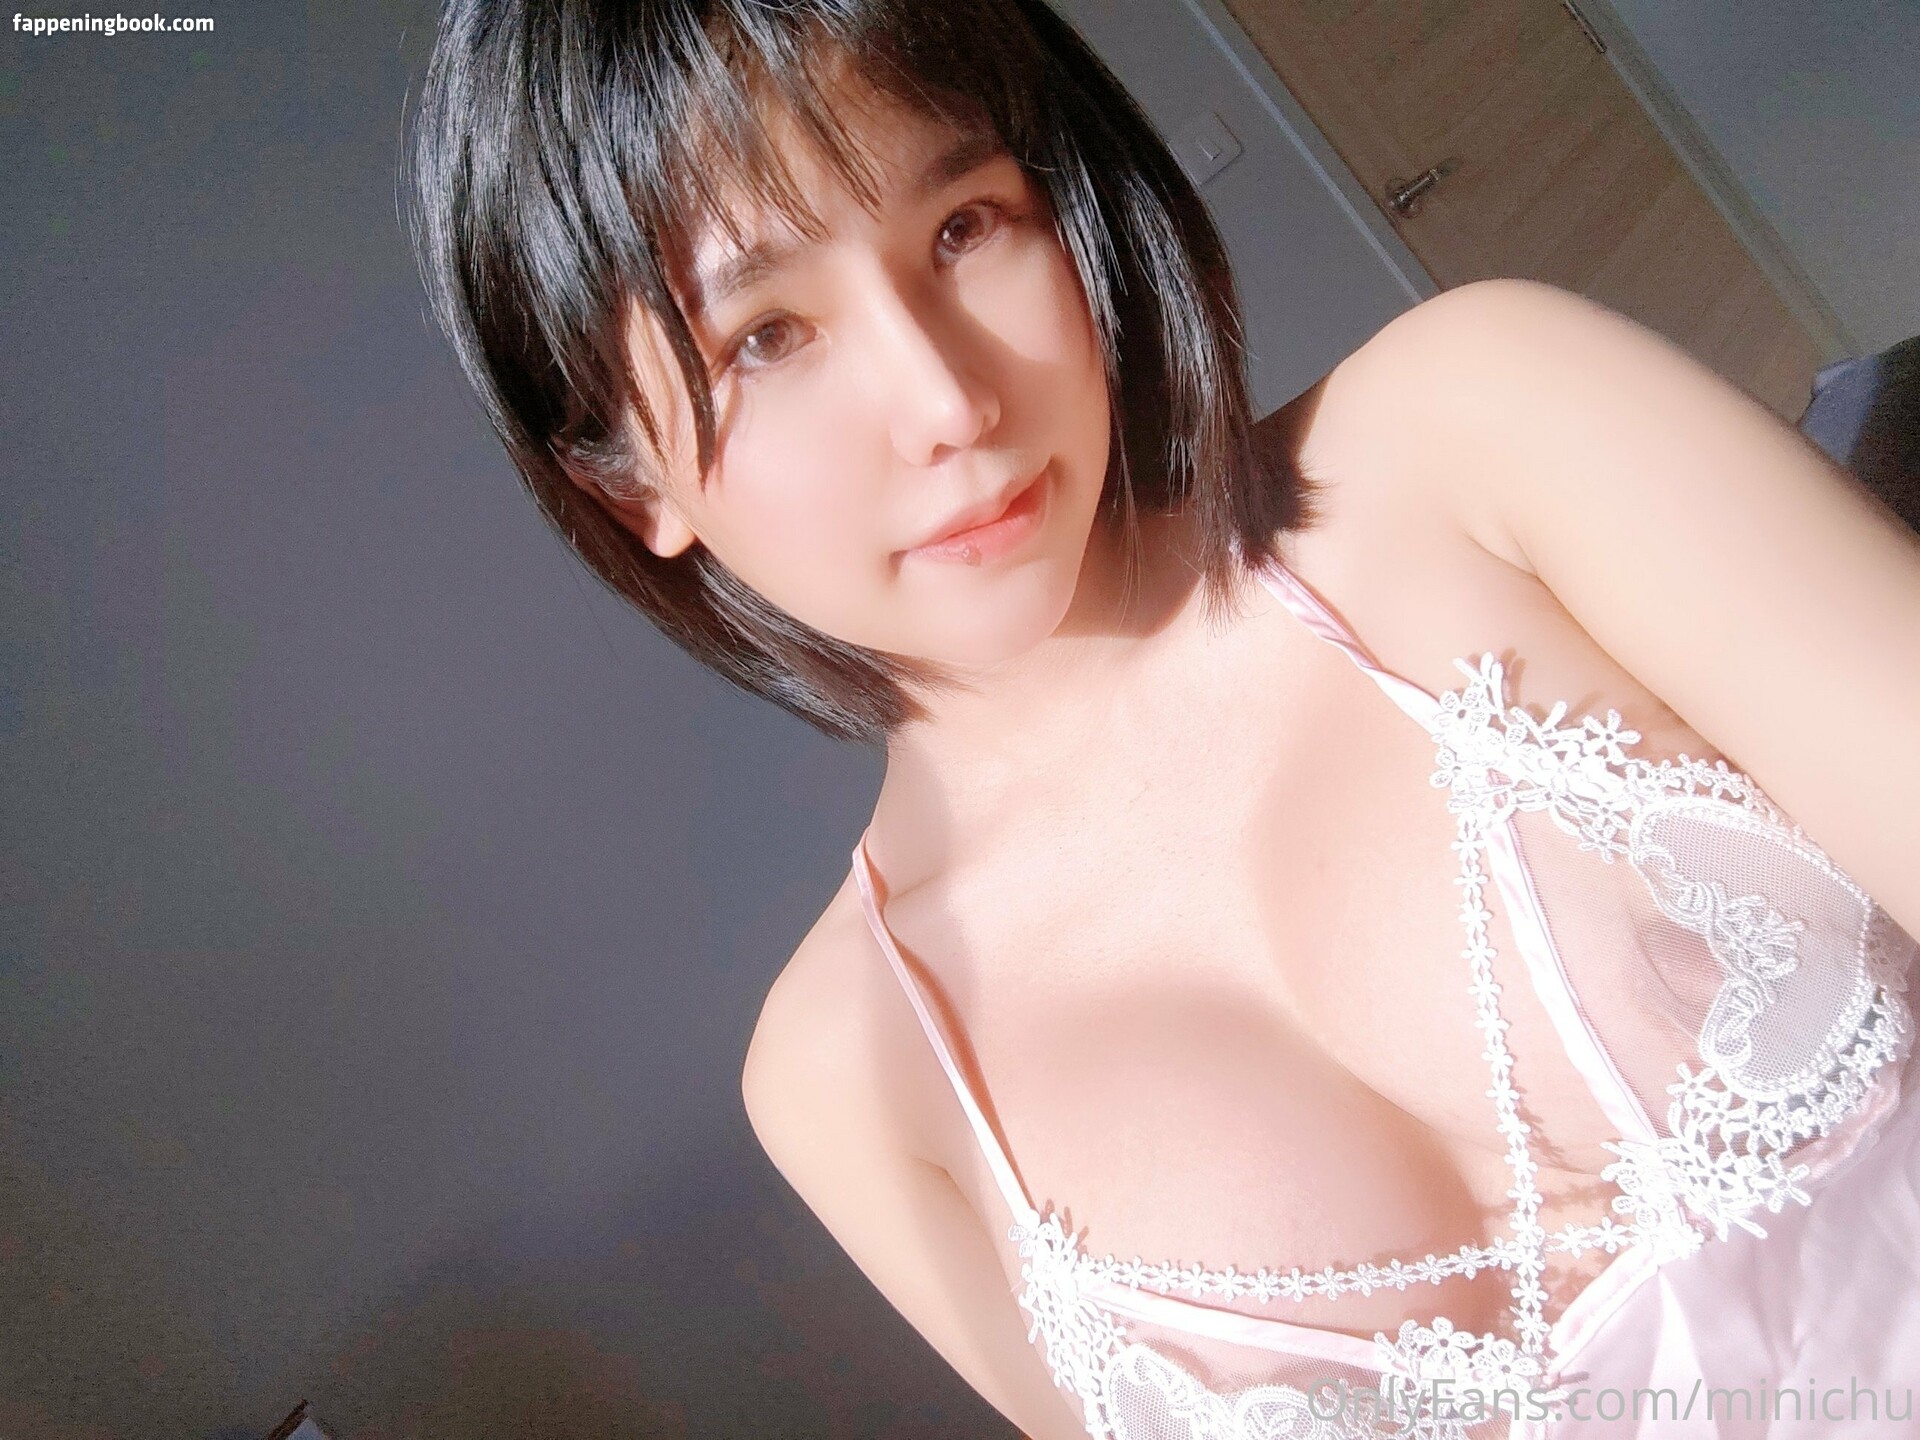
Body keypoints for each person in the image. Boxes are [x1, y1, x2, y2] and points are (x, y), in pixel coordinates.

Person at [409, 2, 1920, 1435]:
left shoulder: (1479, 430)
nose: (947, 403)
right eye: (765, 336)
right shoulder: (842, 1076)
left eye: (964, 228)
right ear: (627, 482)